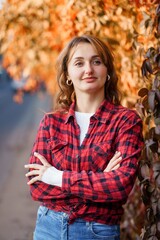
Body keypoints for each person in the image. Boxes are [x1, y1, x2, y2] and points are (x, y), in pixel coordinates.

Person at [24, 35, 144, 240]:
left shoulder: (126, 121)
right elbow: (37, 188)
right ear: (68, 74)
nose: (88, 69)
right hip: (47, 228)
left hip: (97, 232)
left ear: (107, 71)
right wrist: (100, 180)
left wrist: (55, 176)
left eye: (96, 62)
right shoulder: (51, 123)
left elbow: (120, 186)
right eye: (79, 63)